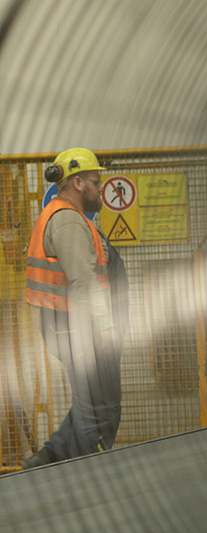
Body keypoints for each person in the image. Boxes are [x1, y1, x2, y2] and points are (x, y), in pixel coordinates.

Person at [21, 148, 128, 468]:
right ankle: (88, 469)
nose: (100, 188)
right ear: (78, 183)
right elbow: (82, 281)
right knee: (99, 406)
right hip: (75, 325)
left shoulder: (69, 216)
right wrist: (107, 326)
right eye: (96, 181)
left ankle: (50, 456)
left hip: (69, 323)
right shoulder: (66, 220)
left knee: (92, 401)